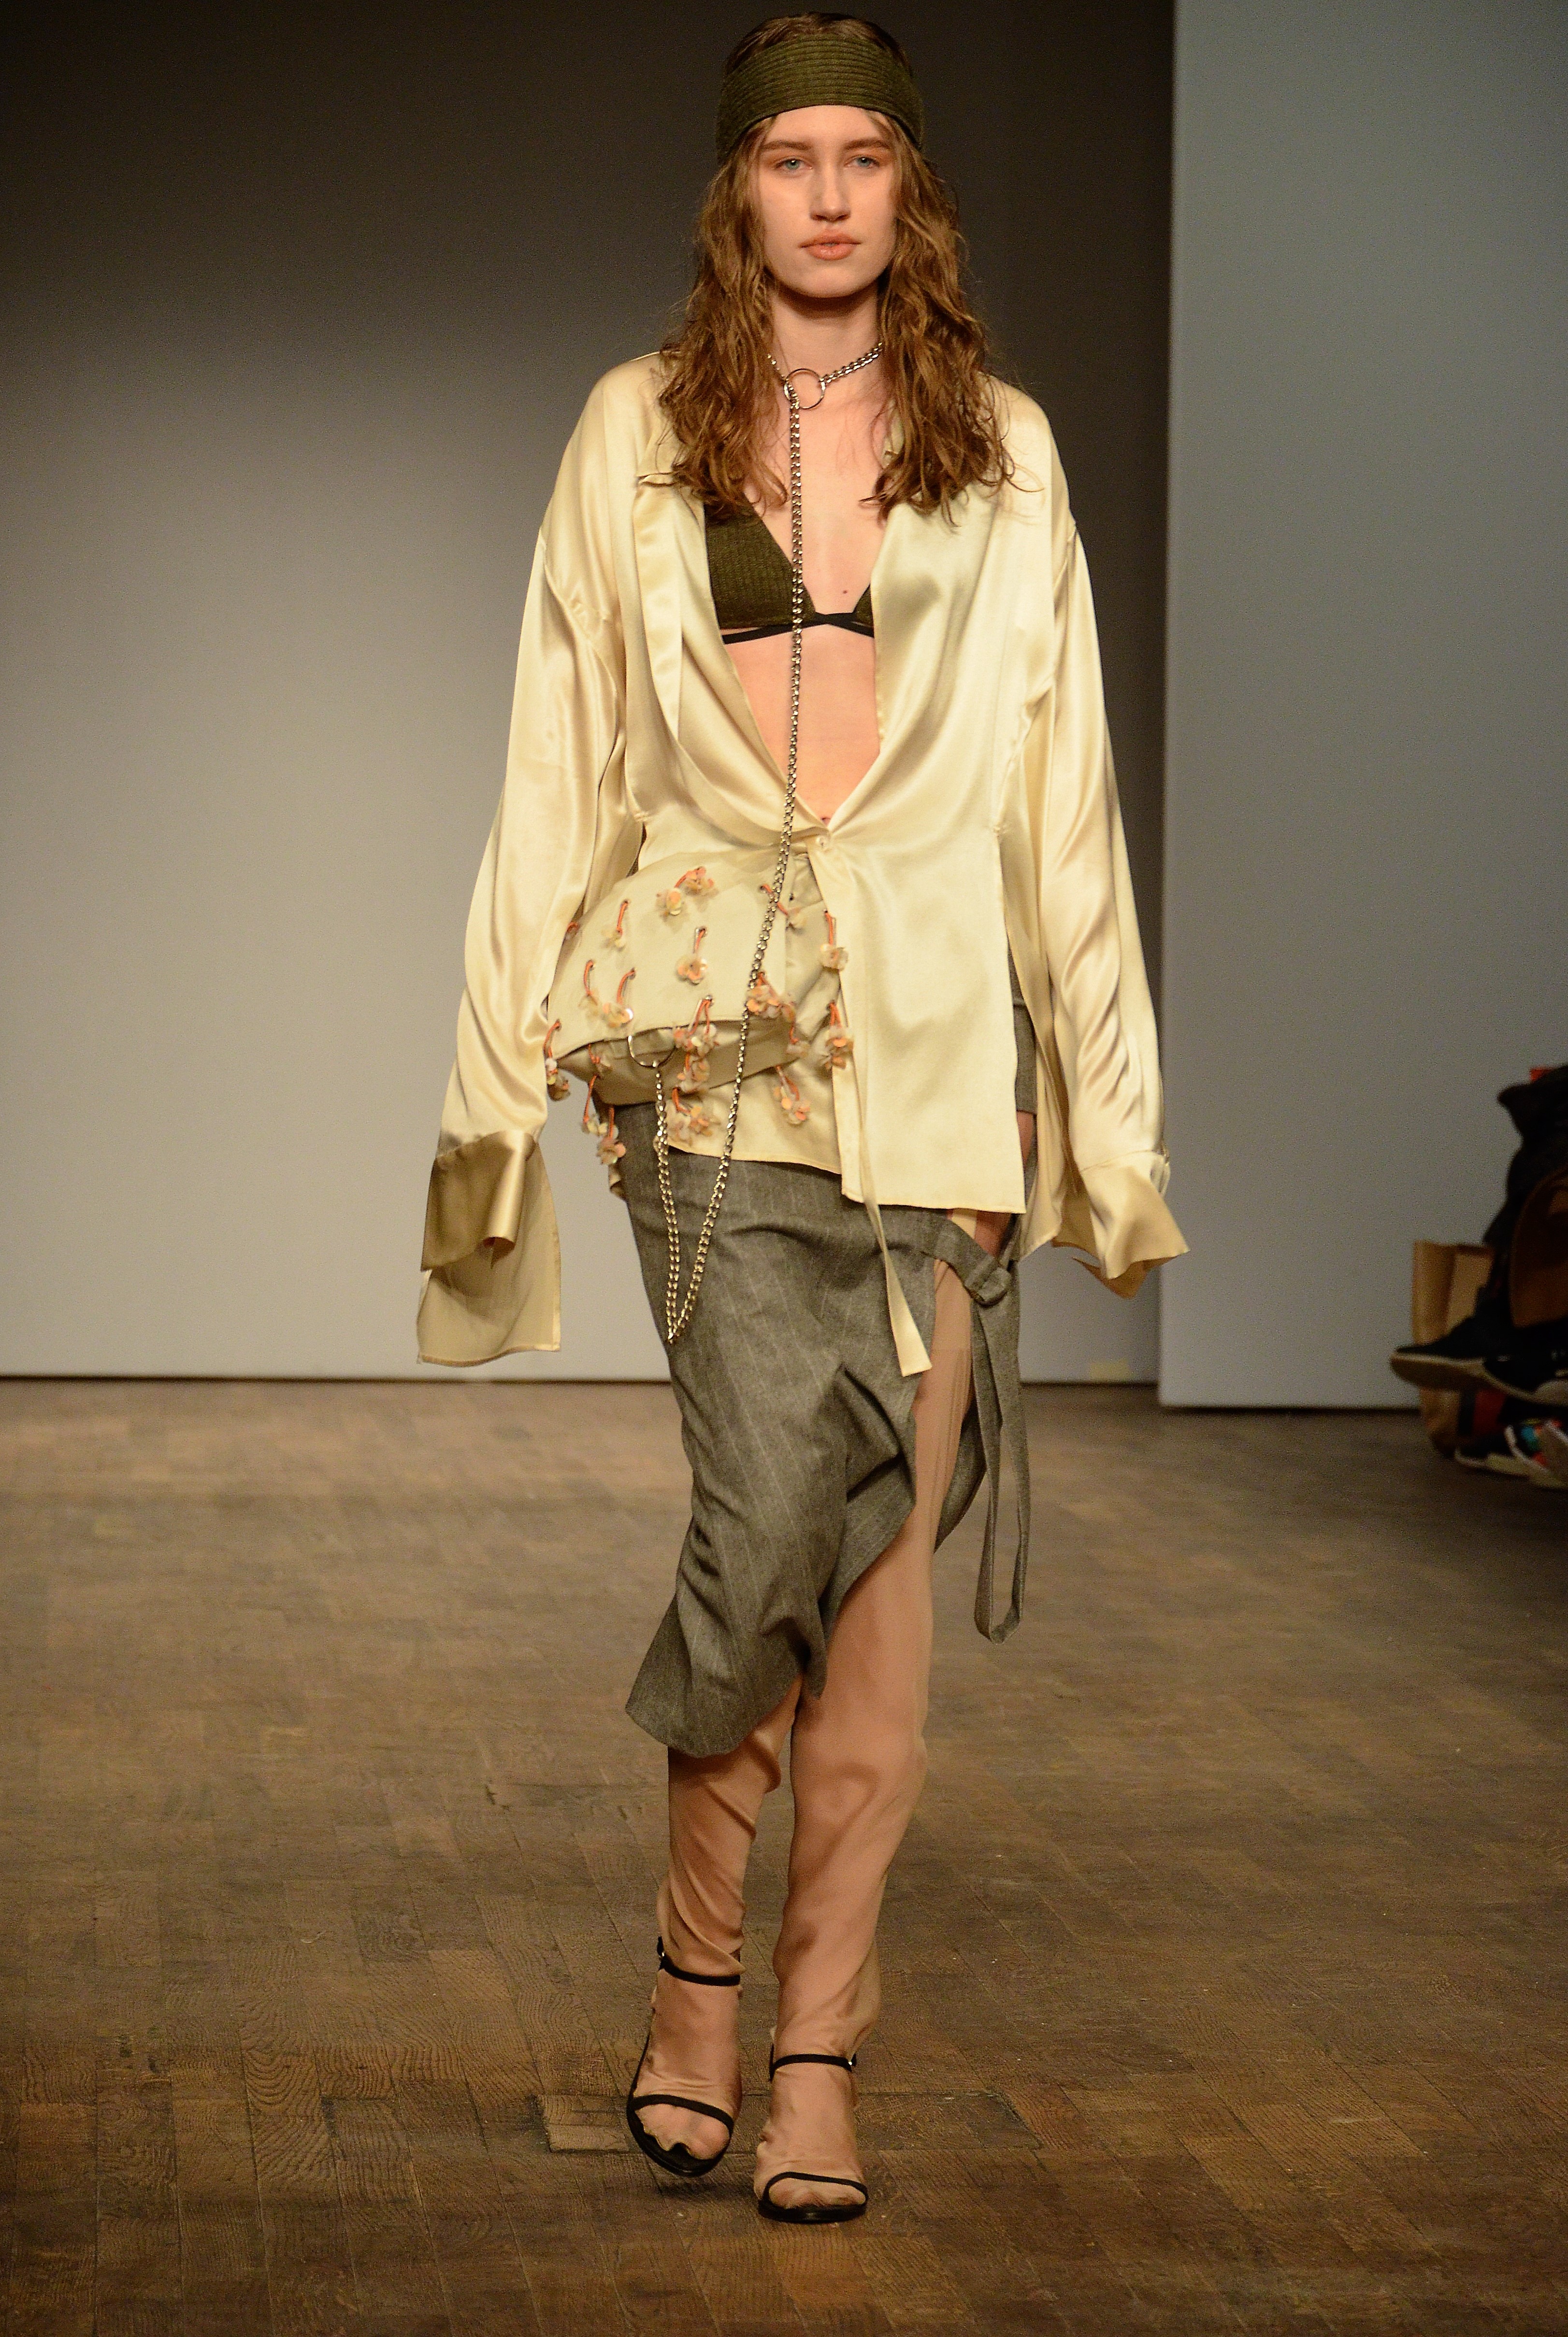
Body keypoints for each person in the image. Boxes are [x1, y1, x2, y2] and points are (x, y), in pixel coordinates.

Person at [418, 12, 1185, 2226]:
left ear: (906, 189)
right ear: (734, 189)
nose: (829, 194)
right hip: (704, 1051)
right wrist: (486, 1092)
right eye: (789, 156)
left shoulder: (1001, 453)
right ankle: (693, 1972)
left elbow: (1061, 800)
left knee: (875, 1581)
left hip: (938, 1058)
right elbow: (554, 764)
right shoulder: (633, 432)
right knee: (770, 1522)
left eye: (863, 155)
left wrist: (1101, 1122)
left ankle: (813, 2042)